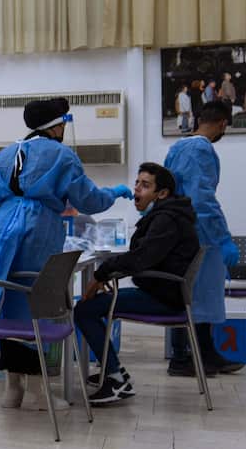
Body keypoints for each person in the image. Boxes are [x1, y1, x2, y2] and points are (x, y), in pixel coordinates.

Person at [0, 97, 131, 410]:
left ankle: (13, 389)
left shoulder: (6, 153)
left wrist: (12, 214)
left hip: (3, 227)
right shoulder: (62, 155)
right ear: (57, 126)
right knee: (36, 304)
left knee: (6, 299)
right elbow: (89, 201)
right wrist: (113, 193)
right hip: (40, 231)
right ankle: (40, 391)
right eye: (64, 124)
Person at [75, 163, 200, 405]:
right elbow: (144, 257)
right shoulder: (167, 215)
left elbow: (142, 257)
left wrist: (103, 273)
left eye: (145, 185)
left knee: (84, 309)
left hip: (163, 298)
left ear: (161, 193)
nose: (136, 190)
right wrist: (111, 273)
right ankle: (115, 372)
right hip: (164, 292)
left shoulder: (166, 219)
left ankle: (114, 379)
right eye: (136, 183)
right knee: (90, 306)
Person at [165, 102, 242, 376]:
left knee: (188, 295)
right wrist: (223, 238)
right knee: (199, 296)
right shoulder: (201, 150)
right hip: (198, 234)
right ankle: (186, 358)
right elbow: (202, 200)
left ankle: (201, 354)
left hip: (179, 232)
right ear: (222, 123)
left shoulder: (177, 148)